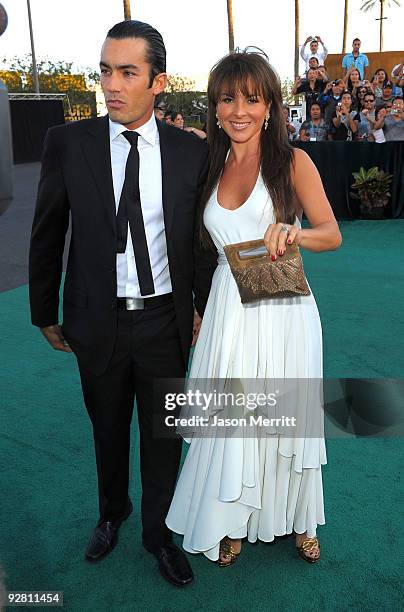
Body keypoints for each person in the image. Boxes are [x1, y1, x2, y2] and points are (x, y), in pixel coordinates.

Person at [28, 19, 217, 588]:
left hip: (165, 321)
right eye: (105, 70)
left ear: (158, 82)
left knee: (164, 435)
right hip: (95, 318)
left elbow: (199, 244)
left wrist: (202, 307)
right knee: (106, 428)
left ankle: (158, 534)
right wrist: (45, 310)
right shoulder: (67, 143)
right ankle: (113, 514)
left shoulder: (191, 152)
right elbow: (47, 230)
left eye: (127, 72)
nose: (111, 84)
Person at [166, 50, 341, 566]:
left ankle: (301, 518)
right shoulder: (210, 164)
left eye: (252, 98)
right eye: (227, 98)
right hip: (227, 309)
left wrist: (296, 232)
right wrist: (197, 309)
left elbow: (331, 233)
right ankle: (233, 518)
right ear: (214, 107)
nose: (239, 110)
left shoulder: (293, 161)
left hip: (284, 311)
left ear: (269, 106)